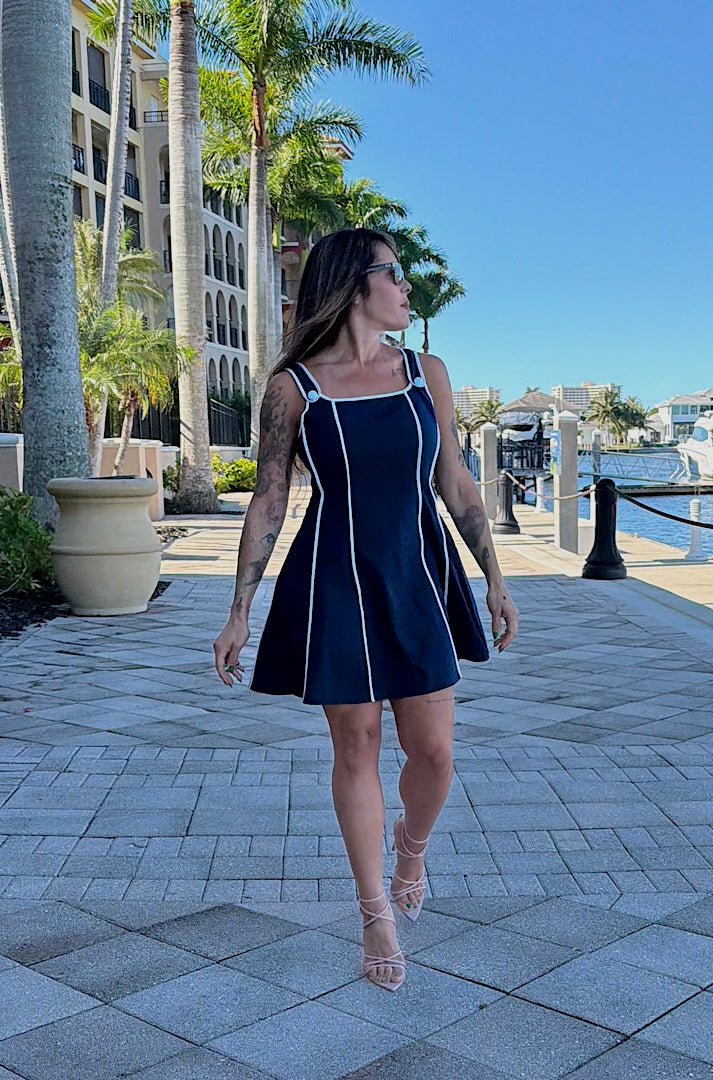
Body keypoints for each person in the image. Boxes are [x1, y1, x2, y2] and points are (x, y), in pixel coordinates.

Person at [213, 228, 519, 992]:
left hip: (418, 575)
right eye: (395, 274)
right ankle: (374, 909)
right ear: (356, 285)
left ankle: (410, 848)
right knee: (357, 746)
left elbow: (455, 481)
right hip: (333, 579)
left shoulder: (427, 373)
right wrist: (239, 608)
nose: (407, 287)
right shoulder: (293, 388)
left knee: (434, 750)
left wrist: (496, 578)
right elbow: (271, 495)